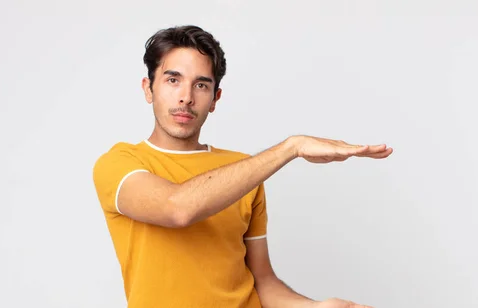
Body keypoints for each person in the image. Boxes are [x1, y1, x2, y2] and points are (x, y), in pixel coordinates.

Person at [92, 25, 392, 308]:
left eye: (201, 85)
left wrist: (313, 306)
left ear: (214, 98)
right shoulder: (119, 163)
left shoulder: (241, 169)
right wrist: (292, 147)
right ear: (149, 89)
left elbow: (263, 281)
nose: (186, 97)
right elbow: (177, 209)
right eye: (173, 80)